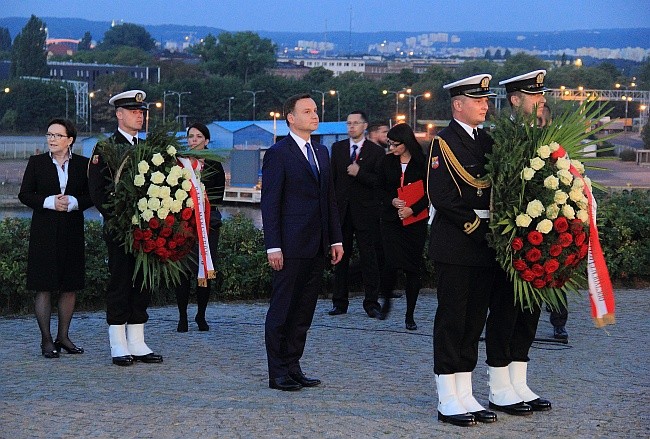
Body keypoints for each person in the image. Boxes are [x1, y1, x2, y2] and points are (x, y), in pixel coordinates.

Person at [427, 74, 500, 426]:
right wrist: (476, 227)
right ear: (458, 105)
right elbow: (440, 196)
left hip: (485, 244)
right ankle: (446, 397)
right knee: (453, 319)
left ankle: (466, 392)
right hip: (457, 241)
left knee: (474, 322)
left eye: (485, 100)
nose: (485, 105)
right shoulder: (443, 142)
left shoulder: (486, 140)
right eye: (479, 100)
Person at [261, 93, 343, 391]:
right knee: (283, 309)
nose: (314, 115)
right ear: (290, 118)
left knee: (303, 312)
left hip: (317, 245)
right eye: (307, 111)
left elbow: (329, 200)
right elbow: (270, 203)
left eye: (316, 110)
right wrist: (273, 246)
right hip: (289, 247)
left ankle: (293, 365)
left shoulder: (322, 152)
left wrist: (335, 239)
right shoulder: (278, 153)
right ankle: (277, 371)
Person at [484, 70, 553, 414]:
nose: (541, 100)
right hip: (508, 241)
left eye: (541, 95)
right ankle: (499, 385)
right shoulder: (499, 138)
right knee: (505, 311)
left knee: (529, 312)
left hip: (539, 240)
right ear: (515, 100)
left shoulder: (549, 139)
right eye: (533, 95)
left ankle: (519, 380)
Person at [88, 89, 163, 367]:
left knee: (143, 282)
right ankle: (118, 342)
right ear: (119, 115)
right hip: (120, 229)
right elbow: (98, 191)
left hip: (147, 228)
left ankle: (138, 340)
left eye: (142, 112)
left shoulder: (148, 148)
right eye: (133, 111)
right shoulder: (106, 149)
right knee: (121, 281)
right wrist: (121, 218)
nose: (140, 116)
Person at [19, 118, 93, 358]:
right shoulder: (37, 163)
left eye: (57, 135)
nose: (51, 139)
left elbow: (91, 195)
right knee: (44, 286)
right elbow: (25, 194)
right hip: (44, 230)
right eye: (49, 134)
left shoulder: (83, 164)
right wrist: (50, 202)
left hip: (72, 229)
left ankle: (64, 336)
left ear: (69, 140)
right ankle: (46, 340)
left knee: (69, 285)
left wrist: (73, 202)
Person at [329, 111, 384, 318]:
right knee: (340, 259)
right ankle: (339, 303)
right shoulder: (338, 148)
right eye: (348, 123)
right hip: (342, 213)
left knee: (370, 258)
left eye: (355, 123)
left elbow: (379, 183)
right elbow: (332, 181)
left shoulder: (375, 152)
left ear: (365, 126)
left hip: (366, 214)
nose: (351, 127)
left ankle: (371, 303)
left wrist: (359, 173)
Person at [376, 123, 428, 331]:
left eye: (395, 145)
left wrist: (412, 209)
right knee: (391, 261)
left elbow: (431, 192)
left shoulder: (422, 162)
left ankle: (410, 314)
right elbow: (378, 189)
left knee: (413, 267)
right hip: (391, 220)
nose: (391, 149)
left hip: (415, 221)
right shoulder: (386, 162)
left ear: (406, 143)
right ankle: (386, 299)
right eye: (389, 144)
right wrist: (392, 200)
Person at [175, 122, 225, 332]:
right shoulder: (179, 163)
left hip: (208, 222)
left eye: (198, 136)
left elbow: (219, 194)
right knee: (183, 271)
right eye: (190, 136)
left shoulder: (214, 164)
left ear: (206, 140)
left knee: (205, 269)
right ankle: (182, 316)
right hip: (185, 222)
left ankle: (201, 315)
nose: (193, 140)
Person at [537, 104, 569, 341]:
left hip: (552, 216)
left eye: (538, 120)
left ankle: (559, 322)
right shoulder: (518, 141)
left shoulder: (557, 149)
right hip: (522, 216)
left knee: (554, 274)